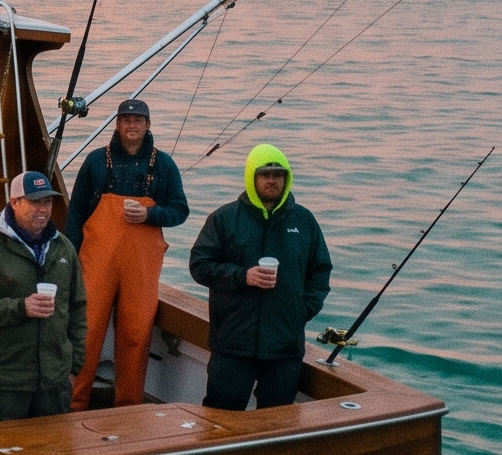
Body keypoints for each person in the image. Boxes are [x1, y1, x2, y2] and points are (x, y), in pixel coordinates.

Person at [64, 98, 189, 409]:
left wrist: (151, 215)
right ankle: (73, 402)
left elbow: (180, 211)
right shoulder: (95, 161)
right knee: (87, 330)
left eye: (138, 120)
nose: (132, 125)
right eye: (126, 119)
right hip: (96, 261)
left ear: (148, 125)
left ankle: (129, 406)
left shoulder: (164, 165)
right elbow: (76, 214)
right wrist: (69, 260)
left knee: (136, 332)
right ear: (117, 125)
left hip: (141, 266)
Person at [188, 143, 334, 410]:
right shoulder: (224, 219)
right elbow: (199, 265)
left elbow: (320, 271)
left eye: (278, 175)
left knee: (277, 424)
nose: (271, 180)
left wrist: (300, 311)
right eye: (264, 174)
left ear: (286, 179)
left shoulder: (304, 221)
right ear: (251, 177)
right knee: (220, 420)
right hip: (233, 342)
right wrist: (243, 276)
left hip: (284, 346)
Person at [0, 171, 87, 423]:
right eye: (35, 202)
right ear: (14, 202)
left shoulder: (64, 248)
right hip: (2, 384)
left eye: (47, 202)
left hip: (53, 384)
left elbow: (78, 309)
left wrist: (73, 367)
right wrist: (20, 307)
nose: (43, 209)